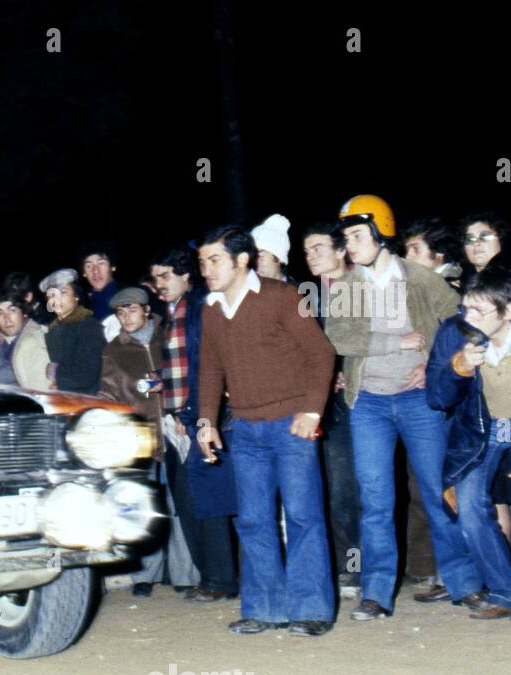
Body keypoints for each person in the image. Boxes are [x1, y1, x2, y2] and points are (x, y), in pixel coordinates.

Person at [325, 194, 486, 621]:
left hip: (418, 400)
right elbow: (339, 338)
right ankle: (377, 593)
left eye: (357, 235)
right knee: (376, 500)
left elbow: (460, 322)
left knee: (437, 491)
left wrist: (433, 365)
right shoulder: (348, 286)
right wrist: (395, 343)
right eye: (346, 237)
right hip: (369, 405)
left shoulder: (419, 278)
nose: (350, 245)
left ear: (382, 232)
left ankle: (463, 582)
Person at [195, 225, 337, 637]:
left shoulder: (280, 297)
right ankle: (264, 608)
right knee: (254, 520)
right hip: (245, 429)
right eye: (203, 262)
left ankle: (311, 609)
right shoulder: (211, 308)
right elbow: (211, 370)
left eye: (215, 259)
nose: (207, 269)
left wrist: (312, 411)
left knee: (303, 516)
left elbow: (321, 353)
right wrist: (206, 421)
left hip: (292, 425)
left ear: (242, 260)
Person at [427, 266, 511, 625]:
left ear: (509, 311)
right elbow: (436, 398)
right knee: (467, 507)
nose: (469, 317)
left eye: (480, 310)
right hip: (479, 432)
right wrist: (459, 367)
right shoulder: (455, 333)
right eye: (466, 308)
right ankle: (502, 591)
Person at [150, 245, 239, 602]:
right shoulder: (171, 313)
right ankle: (210, 577)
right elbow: (181, 366)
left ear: (187, 276)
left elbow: (208, 367)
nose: (159, 283)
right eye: (155, 277)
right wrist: (163, 382)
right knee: (188, 501)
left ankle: (221, 580)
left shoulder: (200, 309)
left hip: (196, 417)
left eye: (166, 276)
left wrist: (198, 413)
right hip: (176, 419)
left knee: (208, 500)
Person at [301, 223, 361, 599]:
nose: (312, 257)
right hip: (323, 408)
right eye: (306, 251)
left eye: (319, 248)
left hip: (367, 402)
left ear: (341, 251)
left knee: (361, 490)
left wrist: (346, 368)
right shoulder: (306, 297)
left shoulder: (366, 287)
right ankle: (348, 567)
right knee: (335, 492)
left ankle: (365, 568)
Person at [100, 286, 168, 596]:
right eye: (120, 312)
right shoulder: (114, 349)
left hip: (176, 427)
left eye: (132, 310)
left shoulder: (166, 337)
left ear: (146, 310)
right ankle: (147, 575)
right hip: (140, 434)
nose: (126, 317)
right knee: (147, 505)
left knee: (184, 503)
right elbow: (109, 394)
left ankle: (187, 573)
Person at [39, 268, 105, 393]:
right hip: (68, 398)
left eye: (63, 292)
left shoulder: (88, 326)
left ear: (76, 296)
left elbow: (87, 374)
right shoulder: (53, 329)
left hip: (89, 400)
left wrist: (57, 373)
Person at [0, 288, 52, 390]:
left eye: (12, 310)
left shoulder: (31, 343)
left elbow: (42, 392)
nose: (7, 319)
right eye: (0, 313)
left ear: (23, 313)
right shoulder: (11, 339)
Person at [402, 217, 463, 286]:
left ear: (439, 253)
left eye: (415, 249)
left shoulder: (450, 286)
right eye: (407, 250)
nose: (407, 257)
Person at [80, 243, 121, 319]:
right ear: (84, 273)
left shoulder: (128, 297)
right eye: (89, 266)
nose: (95, 270)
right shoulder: (81, 307)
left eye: (101, 263)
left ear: (113, 267)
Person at [251, 214, 293, 284]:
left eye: (260, 256)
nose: (254, 263)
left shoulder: (299, 293)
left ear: (279, 259)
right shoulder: (246, 290)